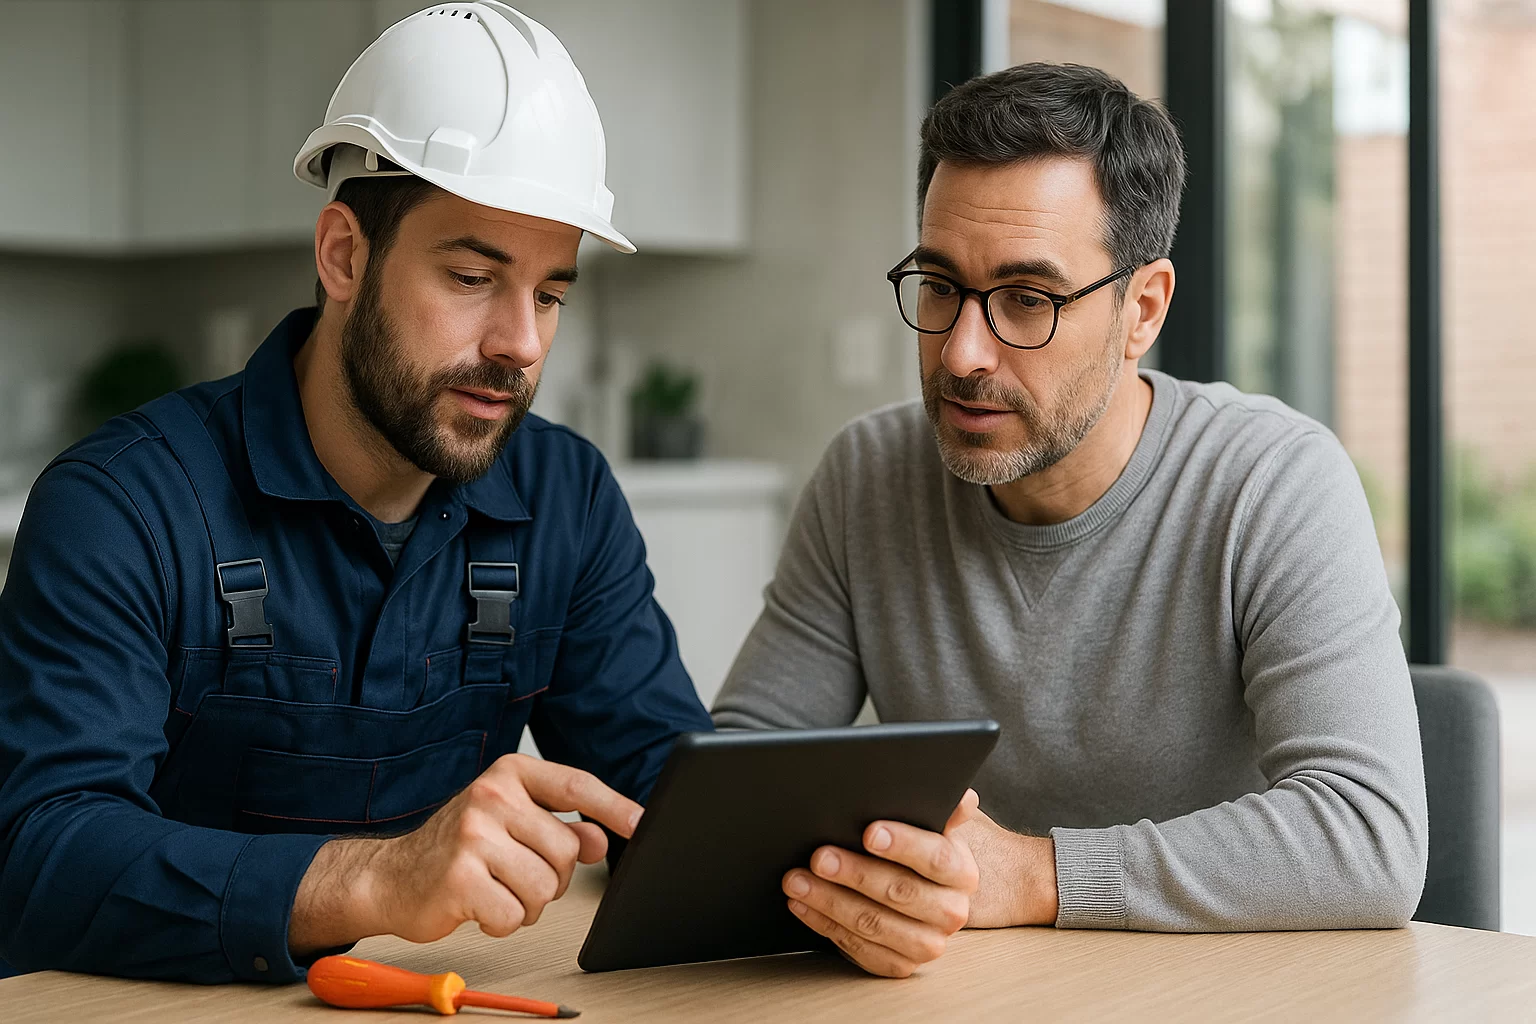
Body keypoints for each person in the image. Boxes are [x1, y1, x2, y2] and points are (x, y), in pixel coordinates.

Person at [0, 3, 713, 983]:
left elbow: (673, 800)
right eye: (472, 276)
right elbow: (37, 857)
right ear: (343, 254)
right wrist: (377, 881)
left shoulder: (567, 498)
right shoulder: (123, 504)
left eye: (550, 293)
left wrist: (844, 865)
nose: (524, 342)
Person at [713, 62, 1429, 978]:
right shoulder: (868, 476)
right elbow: (735, 782)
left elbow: (1368, 836)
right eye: (939, 286)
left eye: (1028, 301)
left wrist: (1035, 877)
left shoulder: (1272, 482)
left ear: (1143, 309)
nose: (964, 353)